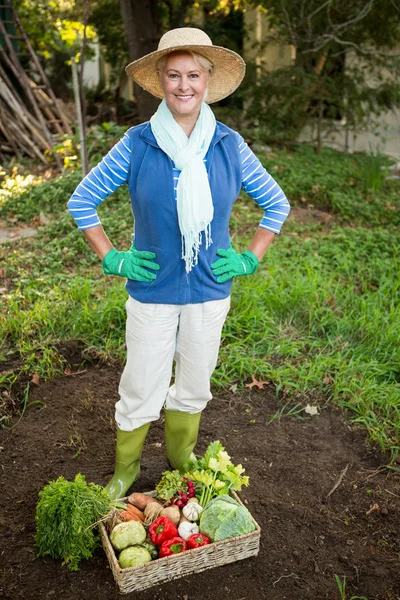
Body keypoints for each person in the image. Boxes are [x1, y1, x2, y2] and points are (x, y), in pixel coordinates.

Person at [67, 27, 290, 500]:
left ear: (208, 81)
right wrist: (112, 256)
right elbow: (82, 201)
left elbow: (277, 205)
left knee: (193, 384)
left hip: (210, 289)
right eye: (174, 75)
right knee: (141, 384)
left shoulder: (229, 145)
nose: (184, 85)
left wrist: (251, 256)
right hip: (152, 290)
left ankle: (179, 457)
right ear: (160, 81)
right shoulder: (138, 143)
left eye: (193, 74)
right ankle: (126, 470)